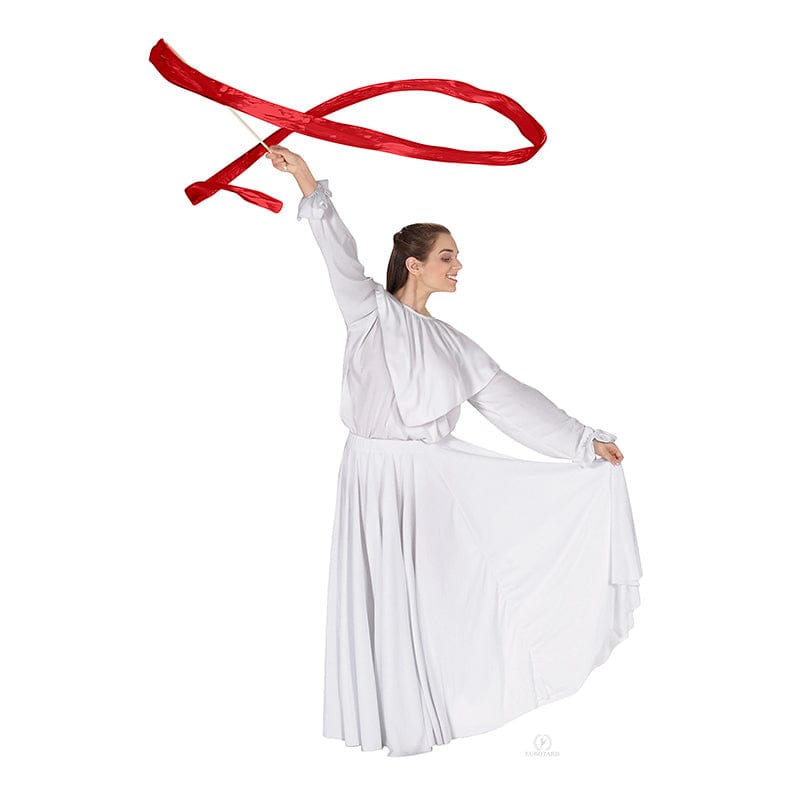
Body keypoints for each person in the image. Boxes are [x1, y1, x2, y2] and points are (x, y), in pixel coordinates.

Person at [264, 144, 642, 757]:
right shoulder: (368, 312)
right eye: (447, 256)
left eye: (457, 256)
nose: (458, 265)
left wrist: (582, 440)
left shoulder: (452, 344)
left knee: (429, 592)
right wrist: (306, 179)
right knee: (381, 593)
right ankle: (388, 717)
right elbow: (338, 252)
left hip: (426, 480)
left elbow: (511, 401)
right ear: (413, 265)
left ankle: (430, 711)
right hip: (370, 475)